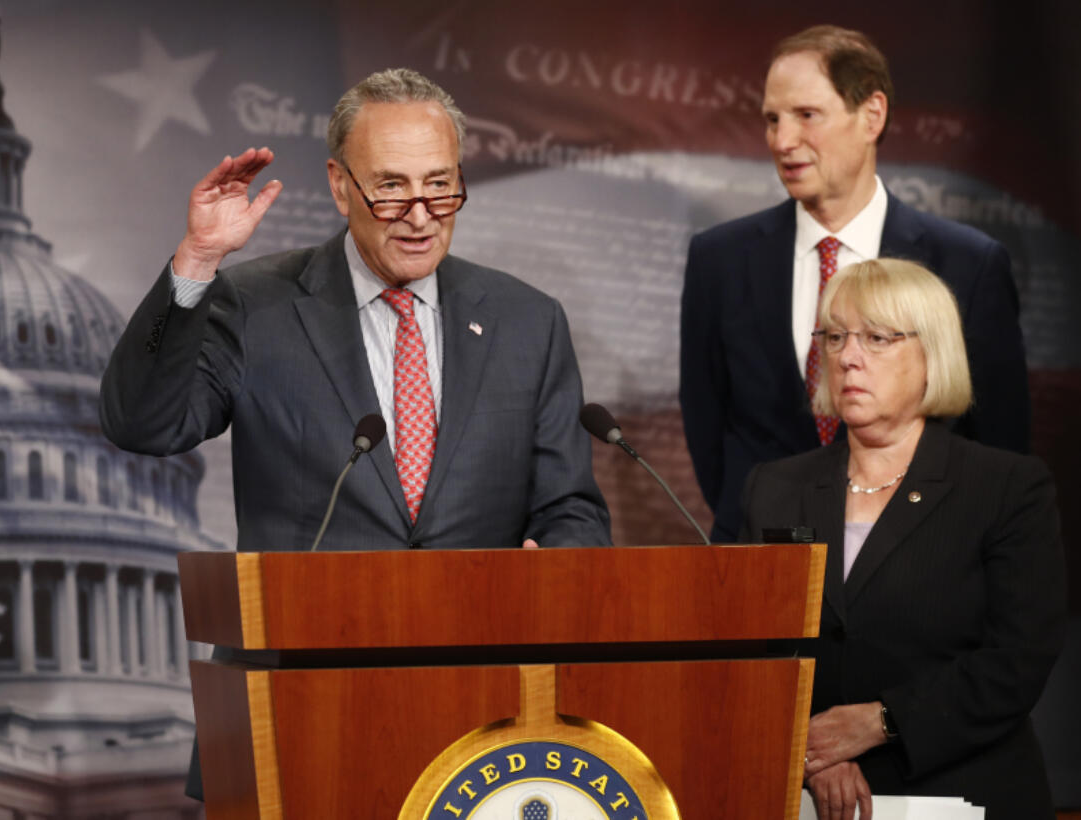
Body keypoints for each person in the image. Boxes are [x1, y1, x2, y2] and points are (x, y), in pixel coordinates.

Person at [100, 67, 611, 799]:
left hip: (486, 728)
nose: (420, 212)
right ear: (340, 187)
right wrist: (198, 263)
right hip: (300, 719)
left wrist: (552, 573)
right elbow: (143, 423)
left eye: (440, 184)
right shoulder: (255, 304)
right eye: (391, 187)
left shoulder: (527, 322)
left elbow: (574, 511)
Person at [739, 259, 1065, 820]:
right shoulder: (774, 486)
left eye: (878, 338)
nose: (848, 357)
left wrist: (879, 722)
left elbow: (1017, 659)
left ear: (931, 353)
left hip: (961, 790)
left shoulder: (1006, 487)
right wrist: (818, 753)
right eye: (835, 337)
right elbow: (749, 649)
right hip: (809, 792)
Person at [680, 24, 1030, 542]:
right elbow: (706, 427)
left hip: (917, 573)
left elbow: (1000, 451)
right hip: (759, 567)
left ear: (872, 115)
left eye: (806, 116)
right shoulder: (719, 259)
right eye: (772, 119)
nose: (782, 140)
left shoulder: (966, 266)